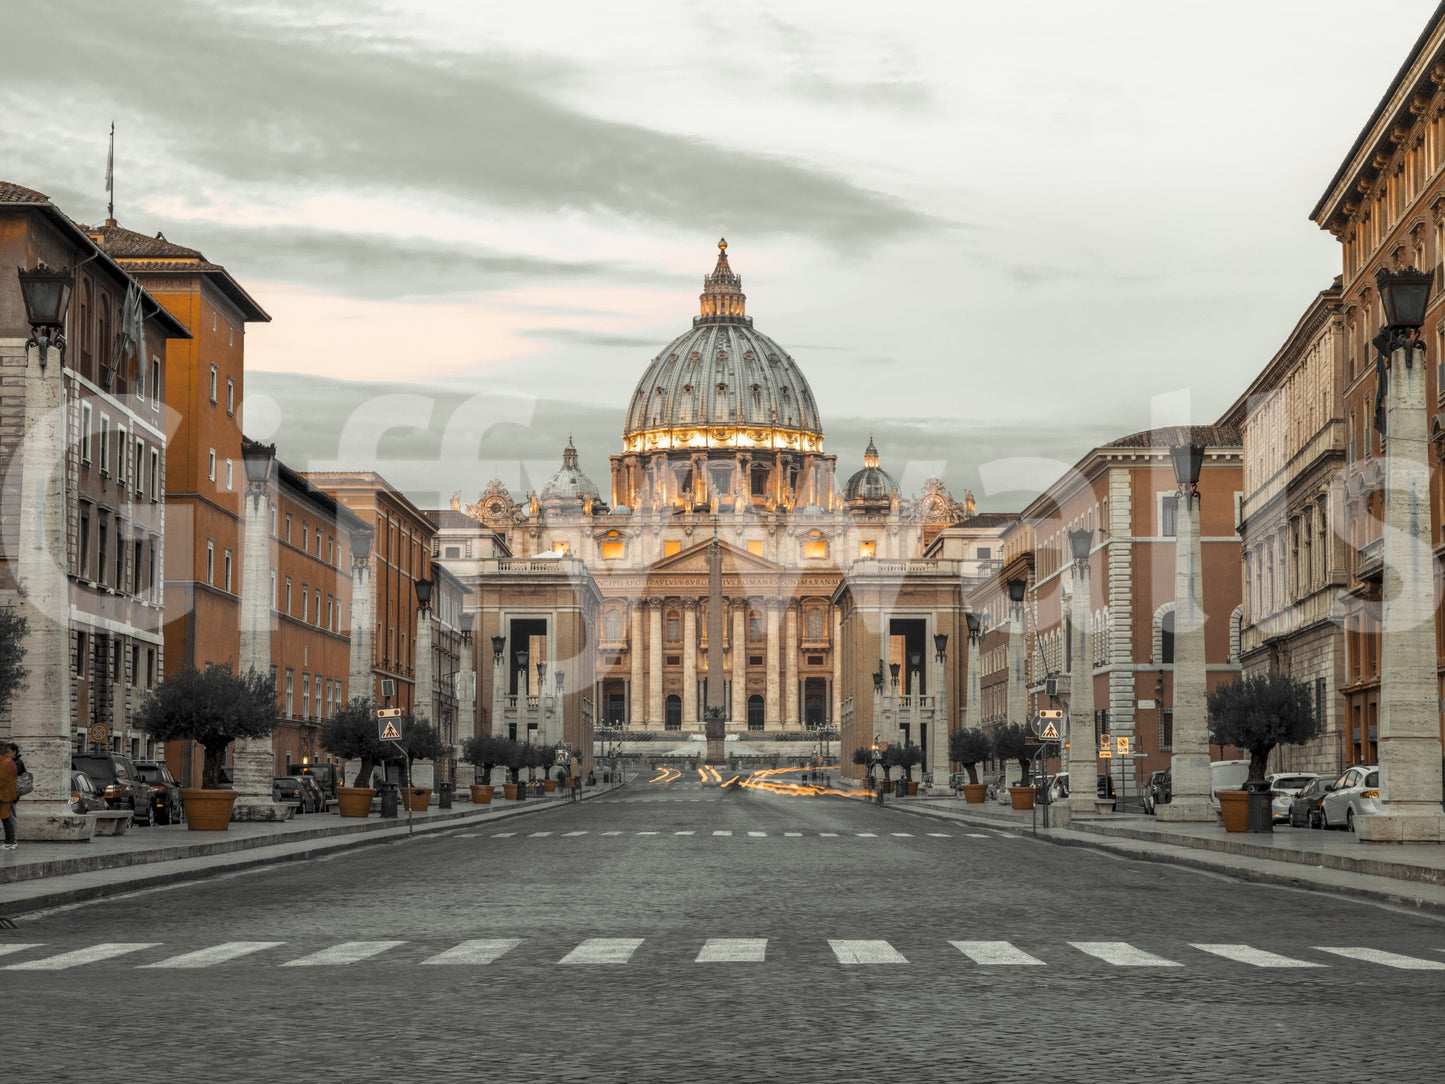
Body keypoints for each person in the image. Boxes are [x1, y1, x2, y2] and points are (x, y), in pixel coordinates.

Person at [0, 743, 18, 850]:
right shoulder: (7, 762)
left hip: (3, 795)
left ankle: (10, 841)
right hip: (5, 794)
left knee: (6, 818)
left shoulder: (5, 762)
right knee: (6, 818)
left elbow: (1, 780)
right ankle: (10, 841)